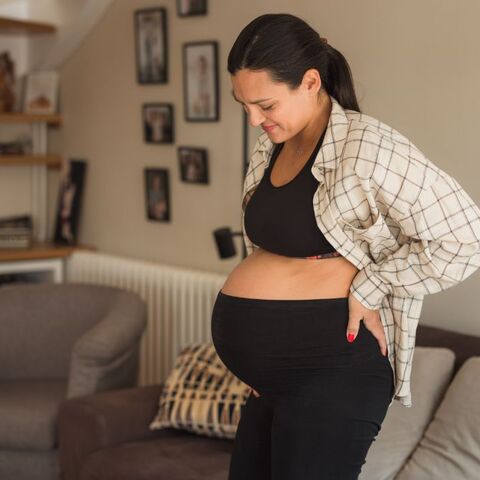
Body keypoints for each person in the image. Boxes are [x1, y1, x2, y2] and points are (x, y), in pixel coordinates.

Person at [210, 12, 480, 480]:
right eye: (244, 105)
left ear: (310, 82)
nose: (254, 119)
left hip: (333, 371)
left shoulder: (367, 146)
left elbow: (466, 238)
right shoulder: (272, 145)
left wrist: (370, 286)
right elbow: (271, 249)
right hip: (274, 379)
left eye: (265, 105)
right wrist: (259, 356)